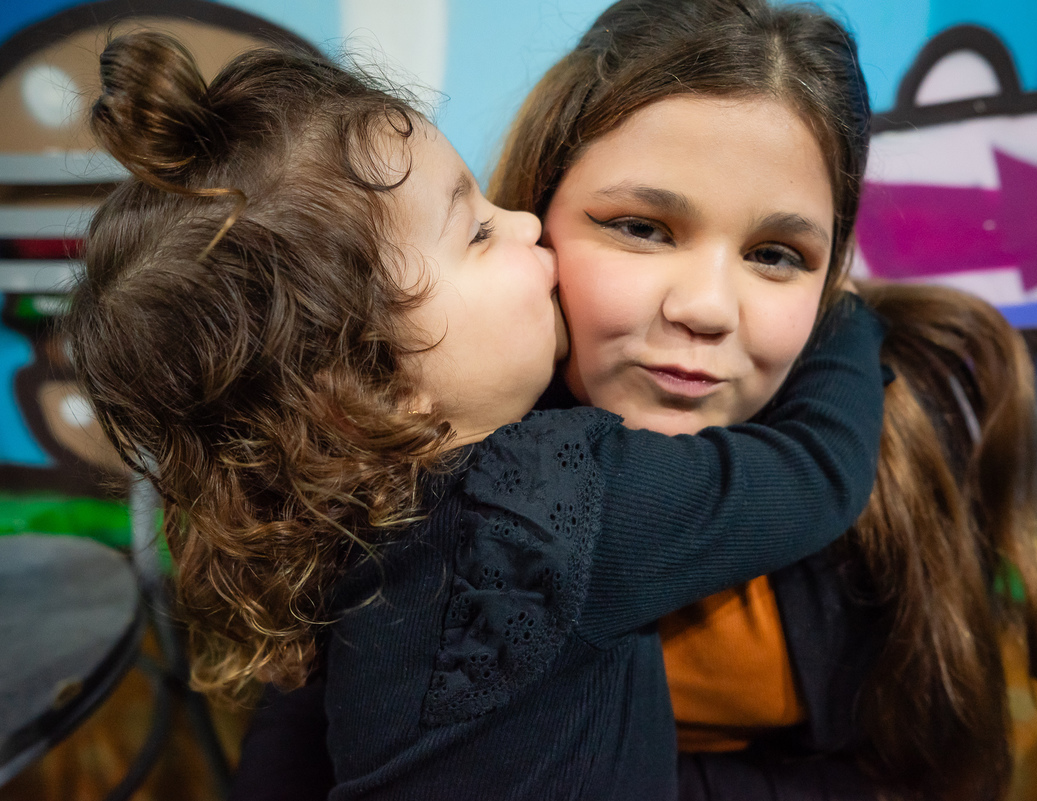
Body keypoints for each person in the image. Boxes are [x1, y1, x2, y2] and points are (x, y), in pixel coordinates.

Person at [232, 1, 1037, 799]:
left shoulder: (903, 444)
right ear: (538, 210)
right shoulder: (420, 466)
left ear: (833, 277)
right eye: (640, 228)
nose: (705, 307)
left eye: (779, 254)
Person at [65, 30, 887, 801]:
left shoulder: (356, 506)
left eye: (780, 255)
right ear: (371, 382)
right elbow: (817, 469)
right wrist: (846, 314)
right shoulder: (551, 500)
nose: (529, 226)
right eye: (480, 231)